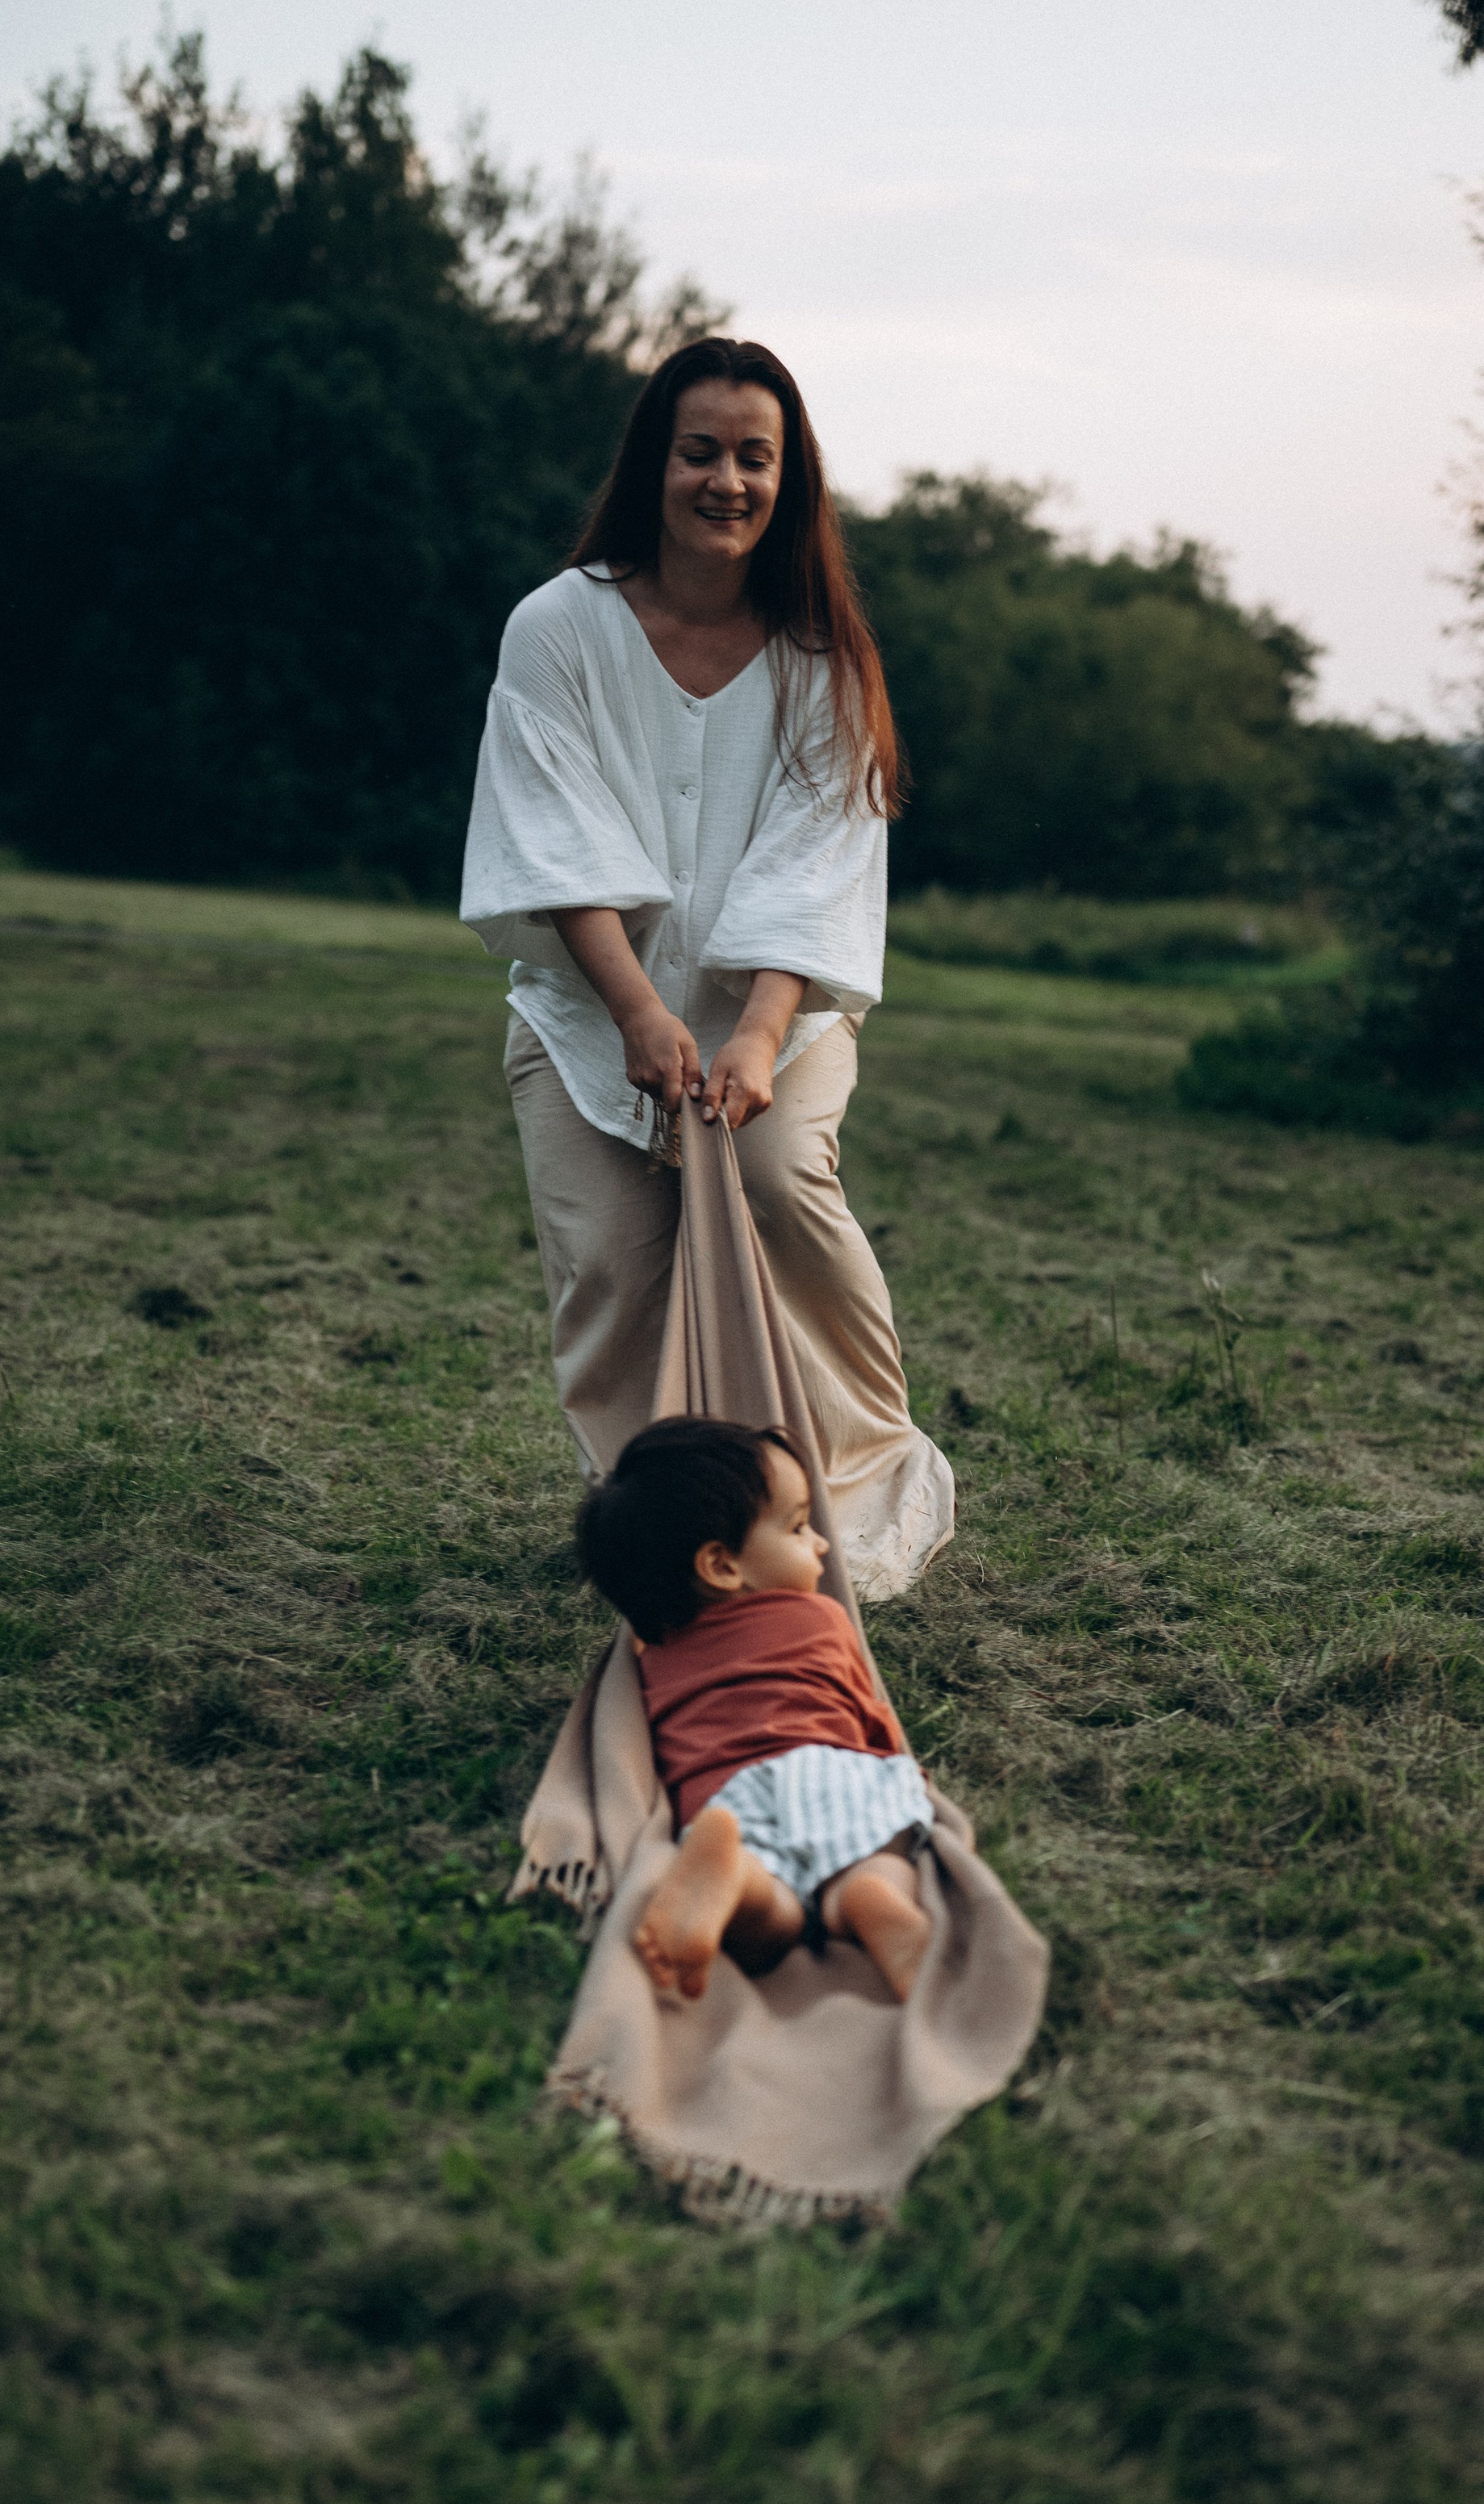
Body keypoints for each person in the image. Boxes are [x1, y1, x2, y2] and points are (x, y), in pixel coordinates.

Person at [461, 335, 953, 1601]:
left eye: (756, 456)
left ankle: (867, 1487)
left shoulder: (821, 654)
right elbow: (551, 829)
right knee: (614, 1268)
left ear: (790, 480)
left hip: (770, 1023)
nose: (726, 479)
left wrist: (753, 1028)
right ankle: (666, 1533)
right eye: (701, 452)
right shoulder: (559, 626)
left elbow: (817, 853)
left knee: (785, 1191)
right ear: (654, 464)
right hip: (586, 1019)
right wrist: (632, 1006)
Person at [575, 1416, 935, 2004]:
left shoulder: (656, 1659)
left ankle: (738, 1882)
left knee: (774, 1920)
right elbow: (869, 1718)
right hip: (832, 1774)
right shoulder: (821, 1617)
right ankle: (871, 1898)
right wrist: (899, 1767)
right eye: (797, 1527)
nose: (820, 1542)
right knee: (874, 1857)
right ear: (721, 1566)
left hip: (727, 1803)